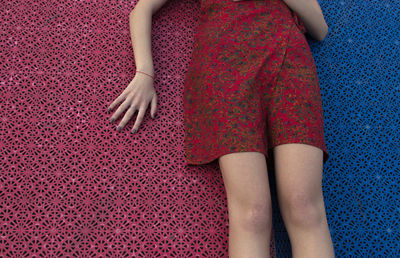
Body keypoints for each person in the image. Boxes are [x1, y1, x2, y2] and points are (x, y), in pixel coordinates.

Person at [107, 0, 335, 257]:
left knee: (304, 206)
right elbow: (142, 10)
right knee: (253, 214)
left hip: (289, 63)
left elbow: (320, 28)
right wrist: (145, 73)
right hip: (225, 70)